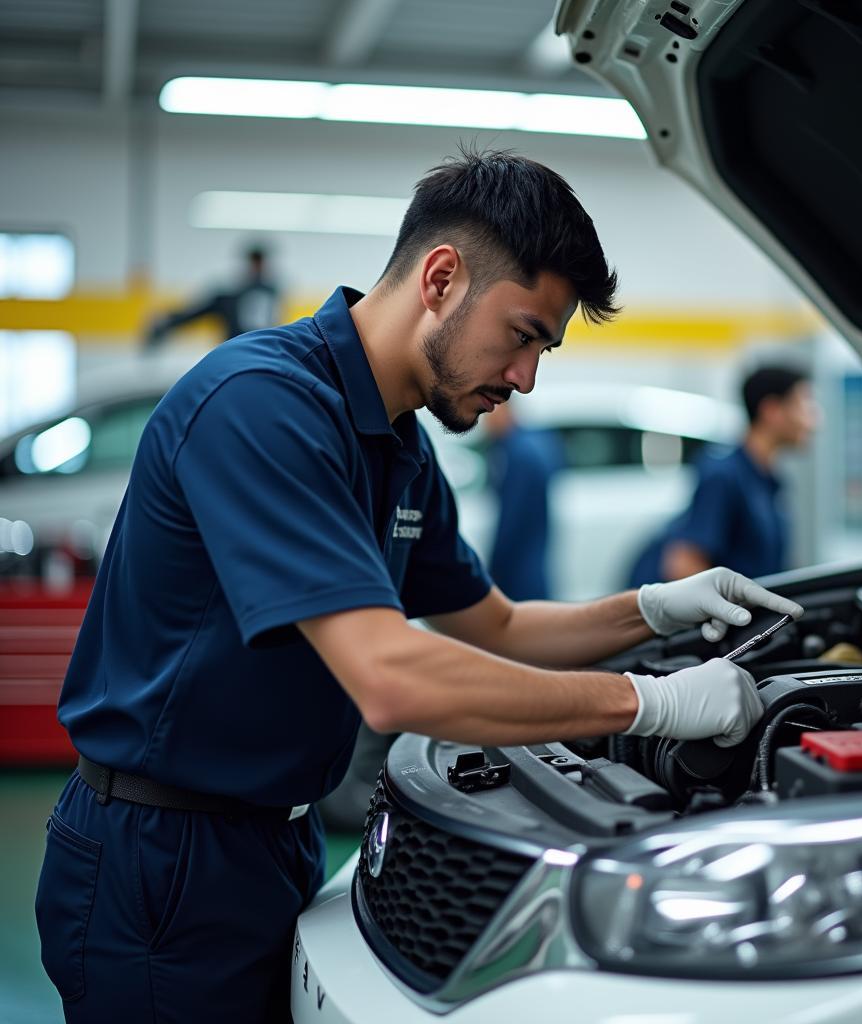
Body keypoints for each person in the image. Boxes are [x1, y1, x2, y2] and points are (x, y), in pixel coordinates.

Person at [35, 149, 802, 1023]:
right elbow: (391, 675)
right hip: (162, 861)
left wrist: (653, 608)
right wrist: (652, 703)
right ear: (442, 277)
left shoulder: (402, 446)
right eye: (523, 335)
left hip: (276, 841)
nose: (527, 379)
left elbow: (501, 625)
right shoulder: (261, 403)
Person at [628, 365, 818, 587]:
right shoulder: (724, 474)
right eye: (805, 405)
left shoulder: (768, 479)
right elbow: (683, 566)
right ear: (772, 410)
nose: (815, 420)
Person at [482, 397, 564, 600]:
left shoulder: (519, 454)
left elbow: (511, 519)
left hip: (518, 565)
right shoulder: (535, 444)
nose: (484, 422)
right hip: (535, 558)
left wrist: (494, 567)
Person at [144, 243, 280, 347]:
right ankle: (168, 322)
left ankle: (167, 322)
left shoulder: (266, 291)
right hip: (242, 342)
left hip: (246, 342)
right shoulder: (243, 290)